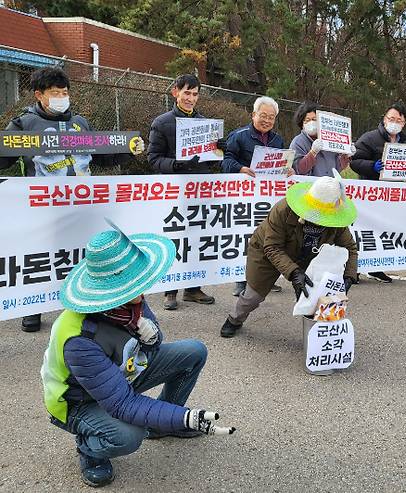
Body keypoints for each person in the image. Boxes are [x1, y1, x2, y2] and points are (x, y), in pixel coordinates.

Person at [41, 220, 234, 487]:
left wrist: (152, 335)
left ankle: (162, 425)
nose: (143, 288)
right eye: (135, 283)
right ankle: (90, 448)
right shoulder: (78, 338)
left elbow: (152, 346)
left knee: (193, 352)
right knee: (128, 435)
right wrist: (185, 417)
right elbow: (121, 404)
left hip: (124, 373)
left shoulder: (130, 302)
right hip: (79, 401)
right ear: (110, 291)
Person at [0, 67, 144, 332]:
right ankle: (32, 308)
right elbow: (5, 156)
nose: (61, 97)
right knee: (41, 254)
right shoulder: (24, 123)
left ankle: (88, 304)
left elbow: (102, 156)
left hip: (82, 204)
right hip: (43, 206)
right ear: (39, 95)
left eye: (65, 92)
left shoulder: (80, 122)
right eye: (55, 93)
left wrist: (128, 150)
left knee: (82, 254)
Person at [220, 170, 358, 338]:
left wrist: (349, 276)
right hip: (267, 250)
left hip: (309, 253)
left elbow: (350, 248)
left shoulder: (337, 218)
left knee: (318, 295)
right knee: (252, 296)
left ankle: (317, 337)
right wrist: (294, 272)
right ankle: (234, 319)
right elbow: (272, 246)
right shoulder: (282, 209)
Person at [147, 73, 218, 310]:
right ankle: (170, 291)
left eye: (195, 94)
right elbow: (153, 159)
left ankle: (193, 288)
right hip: (174, 191)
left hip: (200, 190)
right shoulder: (162, 122)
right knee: (174, 239)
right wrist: (175, 165)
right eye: (186, 92)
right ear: (175, 92)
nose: (190, 98)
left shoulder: (205, 123)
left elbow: (210, 162)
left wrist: (219, 151)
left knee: (198, 238)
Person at [222, 96, 286, 296]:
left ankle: (264, 279)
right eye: (263, 115)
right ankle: (241, 281)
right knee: (244, 237)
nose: (266, 120)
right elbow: (224, 161)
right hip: (243, 198)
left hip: (267, 199)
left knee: (268, 237)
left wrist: (287, 170)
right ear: (253, 115)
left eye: (271, 117)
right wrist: (240, 168)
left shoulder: (278, 140)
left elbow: (281, 165)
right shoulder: (238, 136)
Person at [350, 102, 406, 284]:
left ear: (404, 123)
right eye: (391, 119)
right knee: (362, 231)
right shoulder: (369, 138)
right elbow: (354, 160)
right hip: (370, 194)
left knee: (382, 231)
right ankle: (354, 270)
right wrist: (372, 167)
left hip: (390, 195)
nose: (394, 122)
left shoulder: (405, 142)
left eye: (398, 120)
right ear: (384, 119)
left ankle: (376, 267)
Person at [289, 101, 355, 177]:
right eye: (307, 120)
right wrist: (312, 153)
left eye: (314, 119)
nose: (311, 123)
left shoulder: (330, 139)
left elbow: (337, 168)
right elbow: (299, 170)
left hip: (329, 185)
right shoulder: (298, 142)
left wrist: (346, 156)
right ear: (302, 124)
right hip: (309, 187)